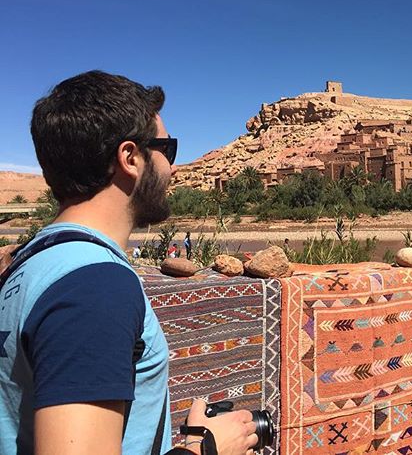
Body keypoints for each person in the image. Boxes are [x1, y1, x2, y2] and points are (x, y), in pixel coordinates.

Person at [0, 71, 257, 455]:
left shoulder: (31, 261)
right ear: (130, 157)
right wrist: (207, 451)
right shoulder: (93, 286)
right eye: (167, 150)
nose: (173, 168)